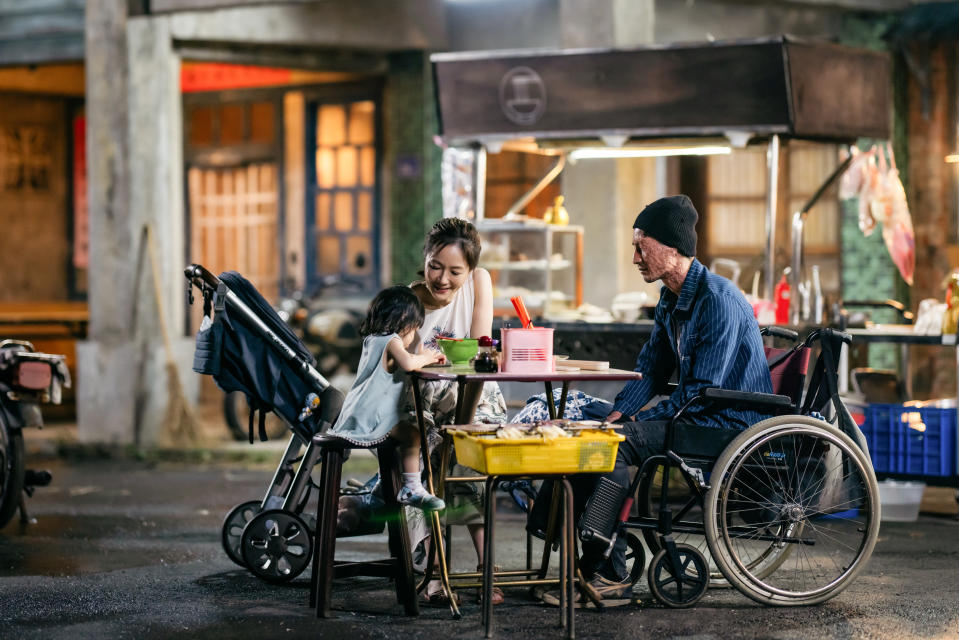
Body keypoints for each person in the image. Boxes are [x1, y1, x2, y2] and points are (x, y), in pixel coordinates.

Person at [532, 194, 773, 606]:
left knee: (617, 445)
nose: (635, 257)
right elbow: (652, 371)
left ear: (673, 248)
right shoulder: (670, 297)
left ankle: (609, 577)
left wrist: (627, 428)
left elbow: (700, 391)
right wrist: (618, 412)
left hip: (728, 422)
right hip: (698, 412)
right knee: (594, 434)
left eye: (642, 246)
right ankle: (585, 556)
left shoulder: (718, 300)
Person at [403, 217, 508, 605]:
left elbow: (481, 355)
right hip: (424, 401)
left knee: (469, 454)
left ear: (471, 270)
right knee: (425, 464)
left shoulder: (480, 283)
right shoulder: (408, 301)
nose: (442, 278)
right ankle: (433, 570)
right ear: (425, 259)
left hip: (475, 394)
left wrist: (465, 422)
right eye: (435, 265)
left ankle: (487, 567)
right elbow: (403, 373)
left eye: (454, 271)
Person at [330, 286, 447, 511]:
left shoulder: (372, 340)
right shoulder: (391, 340)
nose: (413, 335)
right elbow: (409, 363)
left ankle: (388, 486)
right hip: (372, 415)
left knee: (401, 441)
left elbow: (401, 362)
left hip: (358, 411)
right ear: (403, 320)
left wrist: (418, 351)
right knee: (413, 434)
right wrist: (426, 355)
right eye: (414, 328)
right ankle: (411, 488)